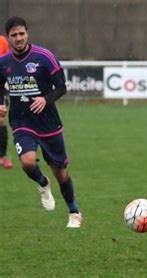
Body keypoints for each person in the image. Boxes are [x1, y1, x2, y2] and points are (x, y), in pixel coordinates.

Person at [0, 16, 82, 228]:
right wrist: (1, 103)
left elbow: (62, 87)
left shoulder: (44, 57)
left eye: (21, 33)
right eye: (14, 35)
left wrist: (46, 99)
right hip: (21, 121)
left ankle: (74, 212)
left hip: (48, 123)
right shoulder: (4, 63)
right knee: (27, 162)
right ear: (8, 38)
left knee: (60, 173)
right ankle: (43, 184)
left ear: (27, 33)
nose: (18, 38)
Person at [0, 34, 13, 168]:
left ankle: (3, 156)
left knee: (1, 120)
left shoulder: (2, 41)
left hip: (0, 88)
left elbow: (7, 62)